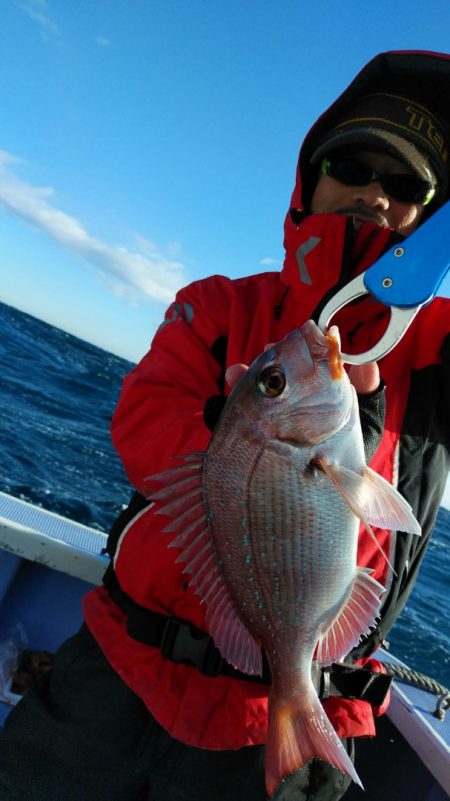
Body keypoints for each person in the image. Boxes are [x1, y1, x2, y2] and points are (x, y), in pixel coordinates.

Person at [1, 49, 449, 801]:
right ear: (310, 178)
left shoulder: (435, 351)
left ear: (430, 222)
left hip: (300, 699)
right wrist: (238, 445)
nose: (373, 193)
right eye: (351, 164)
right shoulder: (219, 305)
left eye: (403, 185)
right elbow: (143, 418)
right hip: (122, 668)